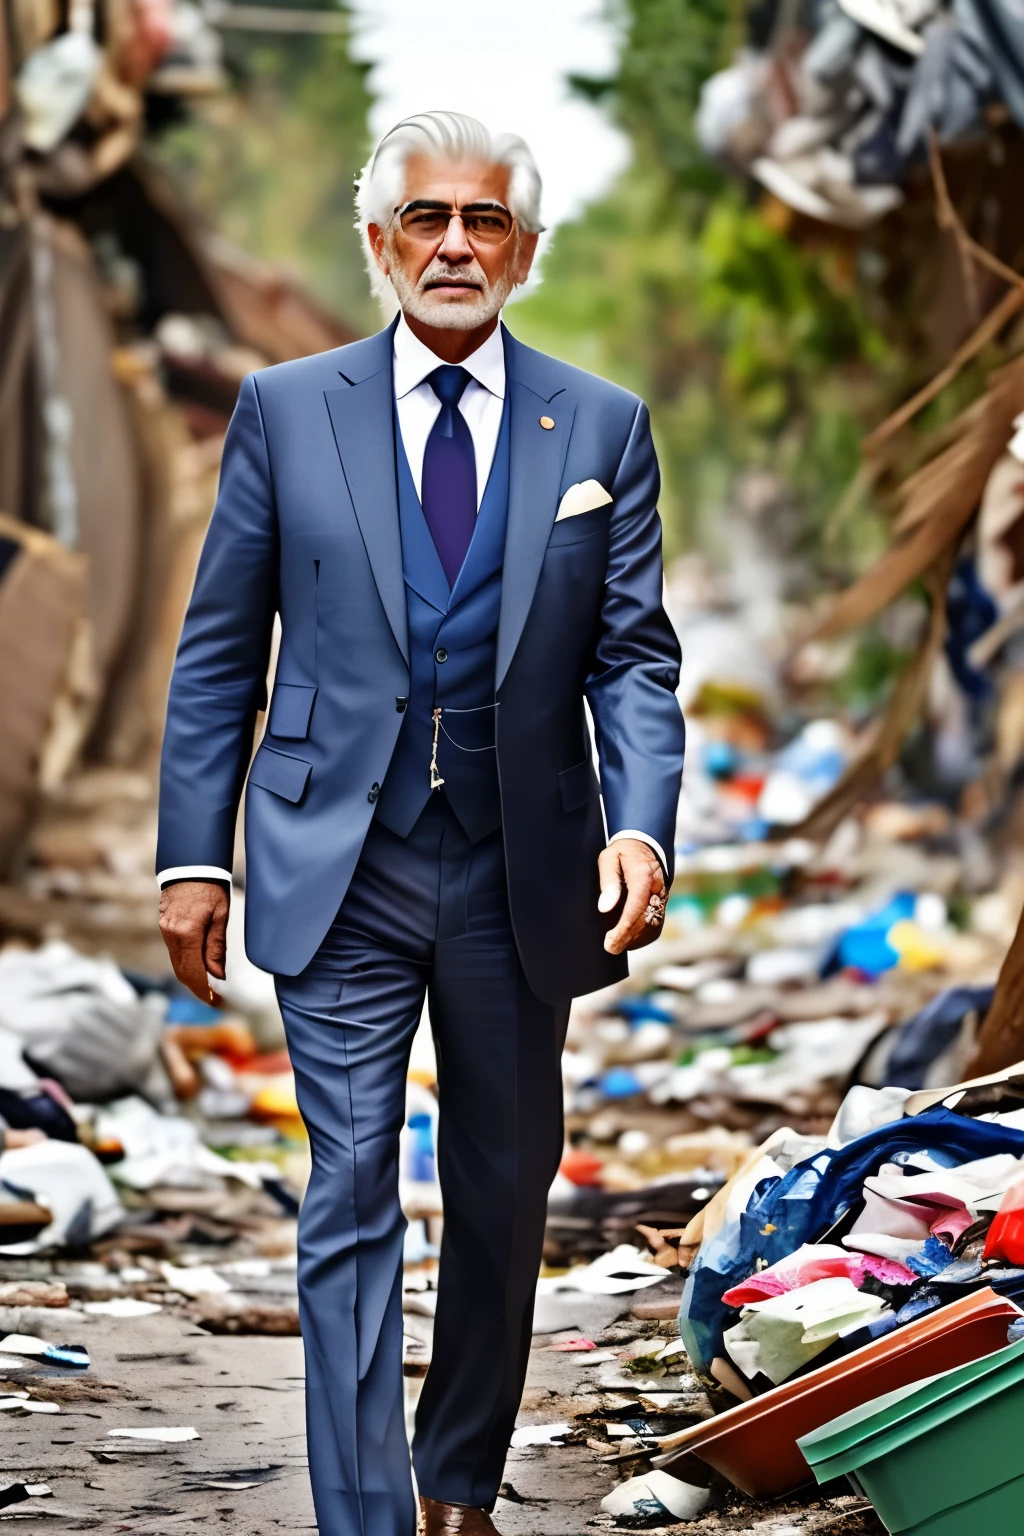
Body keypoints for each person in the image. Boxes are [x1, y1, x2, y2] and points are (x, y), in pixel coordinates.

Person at [156, 111, 685, 1536]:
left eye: (487, 222)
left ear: (526, 252)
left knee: (507, 1190)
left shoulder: (604, 426)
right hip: (340, 857)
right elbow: (221, 649)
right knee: (349, 1186)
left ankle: (458, 1477)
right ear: (380, 242)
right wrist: (194, 853)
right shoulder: (284, 407)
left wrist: (640, 828)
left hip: (524, 867)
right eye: (429, 220)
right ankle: (364, 1513)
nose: (457, 245)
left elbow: (635, 658)